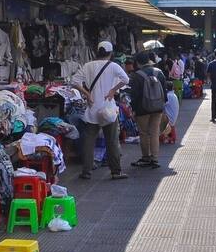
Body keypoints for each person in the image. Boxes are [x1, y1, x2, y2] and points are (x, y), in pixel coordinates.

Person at [71, 41, 130, 180]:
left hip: (92, 109)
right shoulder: (113, 66)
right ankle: (116, 171)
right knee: (112, 141)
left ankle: (86, 171)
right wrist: (112, 91)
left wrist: (87, 94)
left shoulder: (88, 66)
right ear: (110, 53)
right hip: (108, 108)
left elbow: (74, 81)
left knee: (89, 141)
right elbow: (126, 80)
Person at [128, 51, 168, 169]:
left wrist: (133, 110)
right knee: (155, 132)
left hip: (142, 109)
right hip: (157, 108)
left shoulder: (136, 75)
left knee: (144, 133)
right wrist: (162, 105)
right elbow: (164, 92)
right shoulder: (159, 72)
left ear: (138, 63)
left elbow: (134, 95)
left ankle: (146, 157)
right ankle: (155, 158)